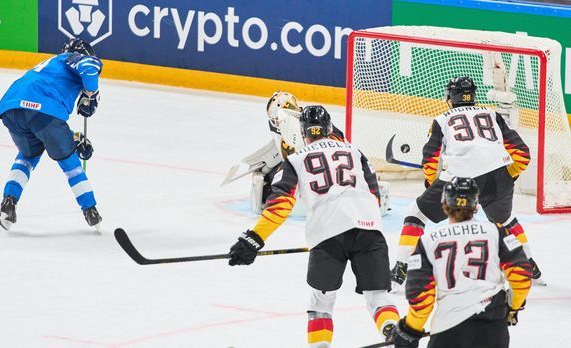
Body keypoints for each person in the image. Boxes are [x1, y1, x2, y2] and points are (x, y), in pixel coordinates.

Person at [228, 105, 399, 347]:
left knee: (321, 302)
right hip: (369, 228)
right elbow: (374, 195)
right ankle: (392, 330)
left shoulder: (296, 159)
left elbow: (280, 205)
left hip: (327, 234)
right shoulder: (354, 151)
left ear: (302, 132)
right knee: (380, 298)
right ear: (330, 129)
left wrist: (253, 239)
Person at [390, 76, 541, 290]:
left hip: (461, 179)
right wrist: (508, 176)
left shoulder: (442, 120)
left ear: (450, 97)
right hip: (499, 178)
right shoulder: (493, 114)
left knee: (416, 213)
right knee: (506, 220)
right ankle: (528, 265)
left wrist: (431, 185)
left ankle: (400, 269)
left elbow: (431, 162)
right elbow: (522, 154)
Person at [391, 177, 533, 348]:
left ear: (444, 203)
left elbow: (421, 297)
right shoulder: (496, 231)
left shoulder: (427, 241)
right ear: (475, 205)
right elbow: (522, 275)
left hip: (448, 330)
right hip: (492, 329)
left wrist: (410, 329)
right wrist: (512, 307)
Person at [0, 38, 102, 231]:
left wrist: (74, 138)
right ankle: (90, 209)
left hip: (10, 107)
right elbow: (89, 67)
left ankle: (8, 201)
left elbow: (42, 125)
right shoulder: (74, 58)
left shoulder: (50, 67)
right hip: (43, 111)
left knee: (28, 156)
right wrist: (90, 95)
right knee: (69, 162)